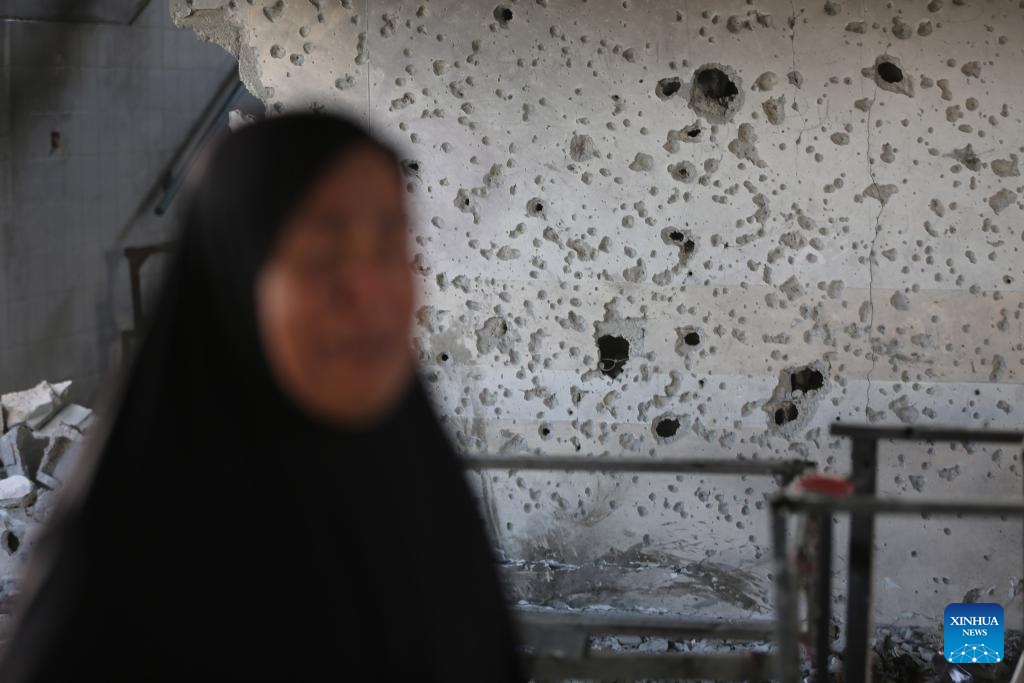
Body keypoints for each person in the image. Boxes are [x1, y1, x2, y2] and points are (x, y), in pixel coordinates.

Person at [0, 112, 528, 682]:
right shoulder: (123, 568)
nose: (369, 291)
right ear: (234, 282)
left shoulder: (418, 488)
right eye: (323, 255)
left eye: (389, 243)